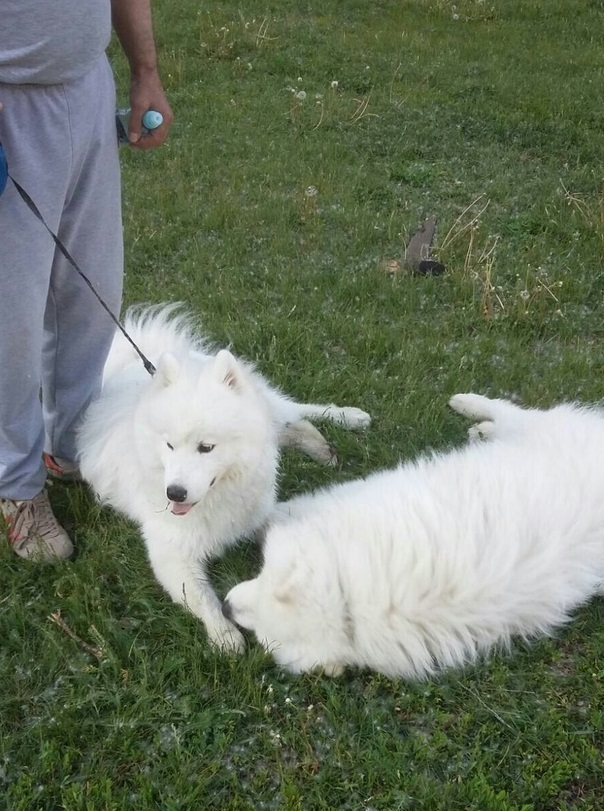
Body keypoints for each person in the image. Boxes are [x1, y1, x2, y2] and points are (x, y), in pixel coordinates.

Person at [0, 0, 173, 561]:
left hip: (84, 85)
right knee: (12, 318)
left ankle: (73, 445)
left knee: (93, 292)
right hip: (10, 100)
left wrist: (144, 72)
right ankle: (15, 484)